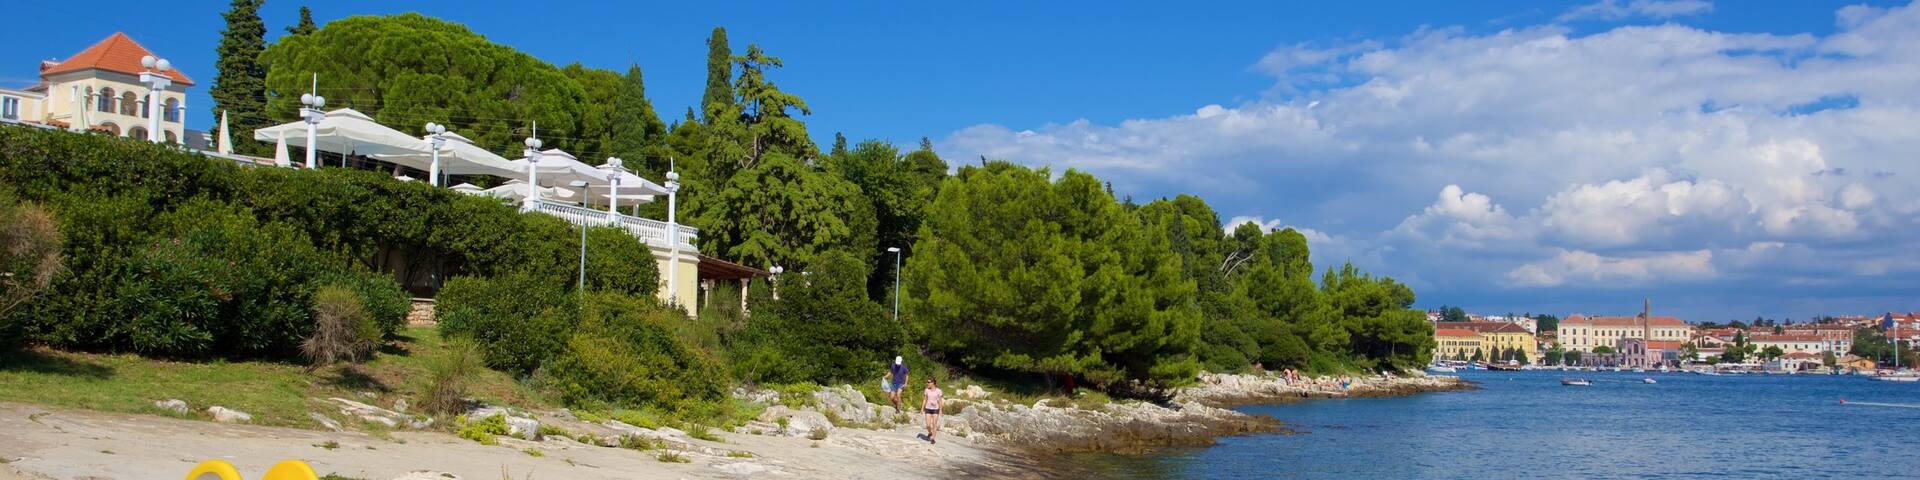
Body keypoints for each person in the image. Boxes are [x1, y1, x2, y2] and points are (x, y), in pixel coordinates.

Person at [922, 377, 944, 444]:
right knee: (928, 425)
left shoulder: (939, 391)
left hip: (935, 409)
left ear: (933, 383)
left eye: (929, 382)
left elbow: (940, 401)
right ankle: (930, 433)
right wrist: (922, 408)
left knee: (934, 424)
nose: (927, 383)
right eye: (927, 382)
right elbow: (925, 399)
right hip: (928, 409)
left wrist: (941, 410)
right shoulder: (926, 390)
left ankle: (933, 438)